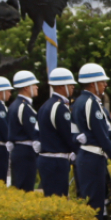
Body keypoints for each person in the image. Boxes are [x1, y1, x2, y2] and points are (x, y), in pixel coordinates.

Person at [72, 63, 111, 218]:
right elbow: (102, 137)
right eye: (102, 82)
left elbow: (73, 133)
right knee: (95, 205)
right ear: (93, 84)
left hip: (86, 157)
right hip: (93, 158)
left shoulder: (79, 102)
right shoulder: (90, 103)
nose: (105, 85)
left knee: (89, 200)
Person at [36, 68, 79, 197]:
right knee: (59, 198)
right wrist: (78, 149)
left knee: (51, 199)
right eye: (70, 84)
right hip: (56, 162)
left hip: (47, 159)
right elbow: (68, 135)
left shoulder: (46, 105)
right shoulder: (60, 107)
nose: (73, 87)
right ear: (61, 86)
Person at [7, 71, 42, 192]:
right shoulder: (23, 107)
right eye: (34, 85)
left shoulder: (16, 105)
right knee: (25, 188)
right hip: (25, 152)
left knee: (20, 186)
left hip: (20, 151)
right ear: (26, 88)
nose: (37, 87)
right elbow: (33, 131)